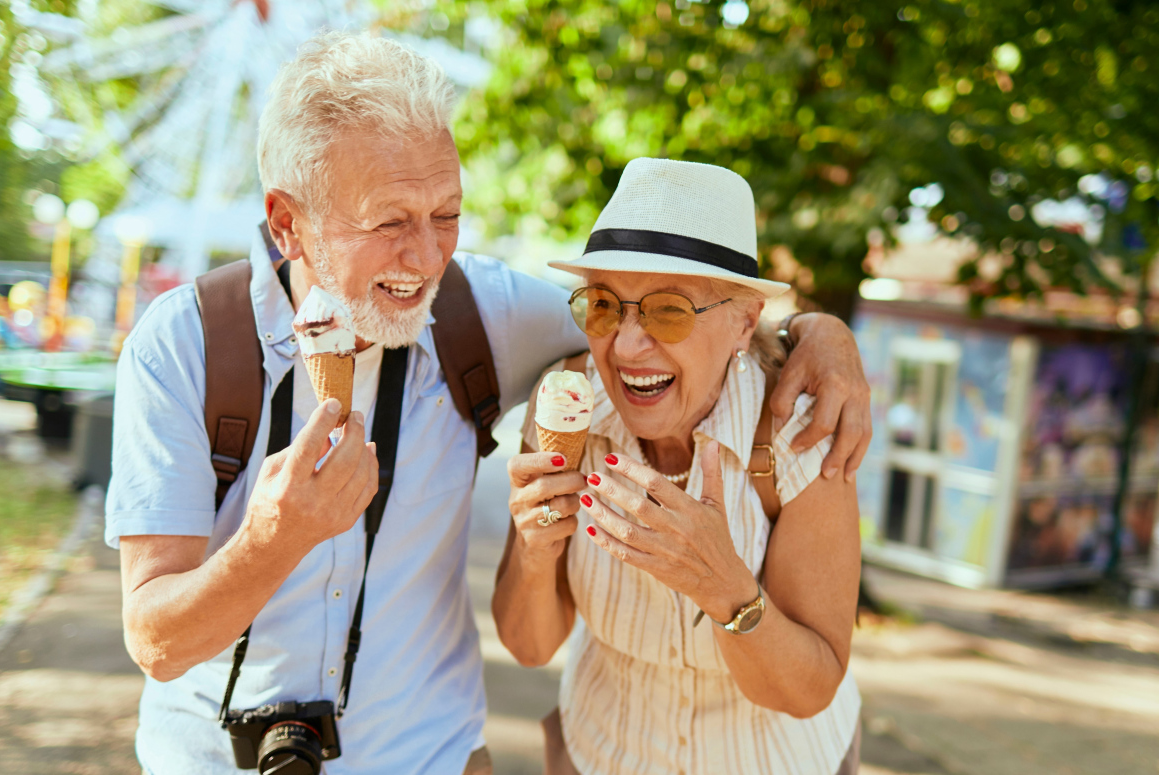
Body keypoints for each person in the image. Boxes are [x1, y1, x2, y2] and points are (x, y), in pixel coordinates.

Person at [106, 32, 872, 775]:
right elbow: (157, 640)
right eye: (390, 221)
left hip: (430, 755)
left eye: (446, 214)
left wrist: (827, 336)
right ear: (287, 222)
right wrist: (273, 538)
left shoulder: (481, 313)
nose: (428, 255)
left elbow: (680, 321)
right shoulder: (186, 349)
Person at [493, 158, 863, 775]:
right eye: (606, 306)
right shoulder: (568, 409)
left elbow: (807, 692)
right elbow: (528, 648)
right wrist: (535, 555)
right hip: (600, 752)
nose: (628, 345)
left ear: (744, 322)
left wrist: (724, 587)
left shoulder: (803, 432)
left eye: (668, 310)